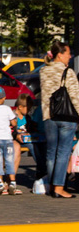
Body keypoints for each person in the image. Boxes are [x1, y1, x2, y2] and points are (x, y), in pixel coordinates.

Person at [38, 40, 79, 199]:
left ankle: (52, 185)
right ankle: (59, 187)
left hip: (49, 116)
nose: (70, 57)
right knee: (63, 152)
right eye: (68, 53)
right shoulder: (67, 72)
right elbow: (75, 96)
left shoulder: (43, 71)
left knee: (51, 151)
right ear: (60, 55)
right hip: (66, 117)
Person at [0, 87, 21, 195]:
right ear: (4, 98)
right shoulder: (7, 109)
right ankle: (12, 182)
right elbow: (14, 123)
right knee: (10, 160)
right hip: (8, 139)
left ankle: (0, 184)